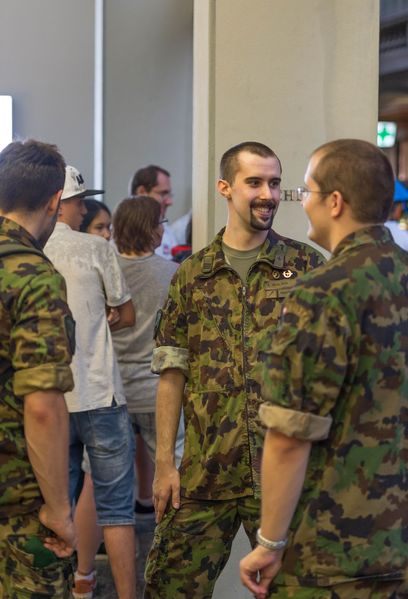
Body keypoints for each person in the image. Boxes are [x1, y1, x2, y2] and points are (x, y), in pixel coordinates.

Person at [144, 141, 326, 598]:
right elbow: (171, 372)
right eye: (254, 182)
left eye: (274, 183)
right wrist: (165, 464)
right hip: (207, 473)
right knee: (169, 587)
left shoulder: (306, 267)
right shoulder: (193, 274)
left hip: (283, 474)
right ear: (225, 188)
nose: (267, 193)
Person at [239, 139, 408, 599]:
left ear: (335, 202)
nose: (302, 203)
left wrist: (270, 542)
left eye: (305, 192)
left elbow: (291, 436)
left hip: (336, 551)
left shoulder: (322, 292)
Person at [44, 166, 137, 599]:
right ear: (63, 203)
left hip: (50, 399)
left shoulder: (27, 251)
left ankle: (69, 589)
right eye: (81, 202)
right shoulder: (96, 249)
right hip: (100, 392)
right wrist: (102, 318)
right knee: (117, 511)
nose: (85, 210)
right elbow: (129, 314)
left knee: (52, 509)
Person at [0, 139, 76, 598]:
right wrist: (59, 510)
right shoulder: (33, 277)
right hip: (16, 509)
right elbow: (44, 407)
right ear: (54, 203)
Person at [112, 196, 184, 596]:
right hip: (160, 392)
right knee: (169, 482)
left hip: (115, 391)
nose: (164, 227)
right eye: (161, 221)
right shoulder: (173, 274)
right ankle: (167, 567)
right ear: (152, 228)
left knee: (109, 491)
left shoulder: (108, 268)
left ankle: (87, 576)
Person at [129, 164, 179, 260]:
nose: (169, 202)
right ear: (142, 192)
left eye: (169, 194)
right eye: (163, 193)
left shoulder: (168, 232)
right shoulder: (119, 232)